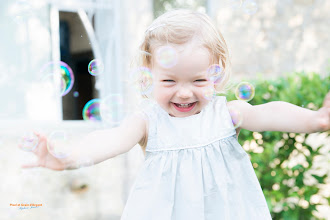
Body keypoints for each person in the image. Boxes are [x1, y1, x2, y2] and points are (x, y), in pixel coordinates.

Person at [20, 9, 330, 220]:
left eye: (198, 80)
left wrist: (317, 119)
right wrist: (66, 157)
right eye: (169, 81)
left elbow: (270, 114)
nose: (184, 92)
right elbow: (110, 140)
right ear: (148, 76)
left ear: (217, 75)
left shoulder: (225, 113)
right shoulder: (146, 122)